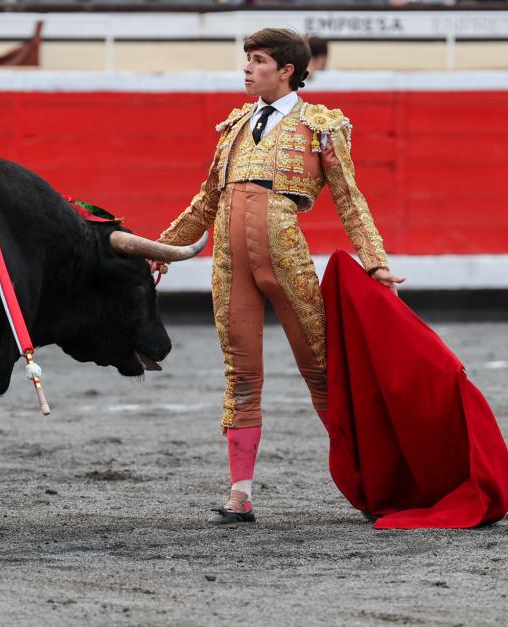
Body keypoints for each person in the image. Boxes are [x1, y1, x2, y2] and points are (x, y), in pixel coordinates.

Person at [151, 28, 404, 526]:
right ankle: (239, 494)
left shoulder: (321, 125)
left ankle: (368, 481)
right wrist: (162, 249)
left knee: (321, 371)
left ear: (287, 70)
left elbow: (350, 199)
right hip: (229, 260)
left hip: (285, 255)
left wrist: (374, 259)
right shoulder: (236, 124)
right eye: (246, 59)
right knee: (241, 375)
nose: (247, 68)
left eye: (258, 60)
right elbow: (207, 201)